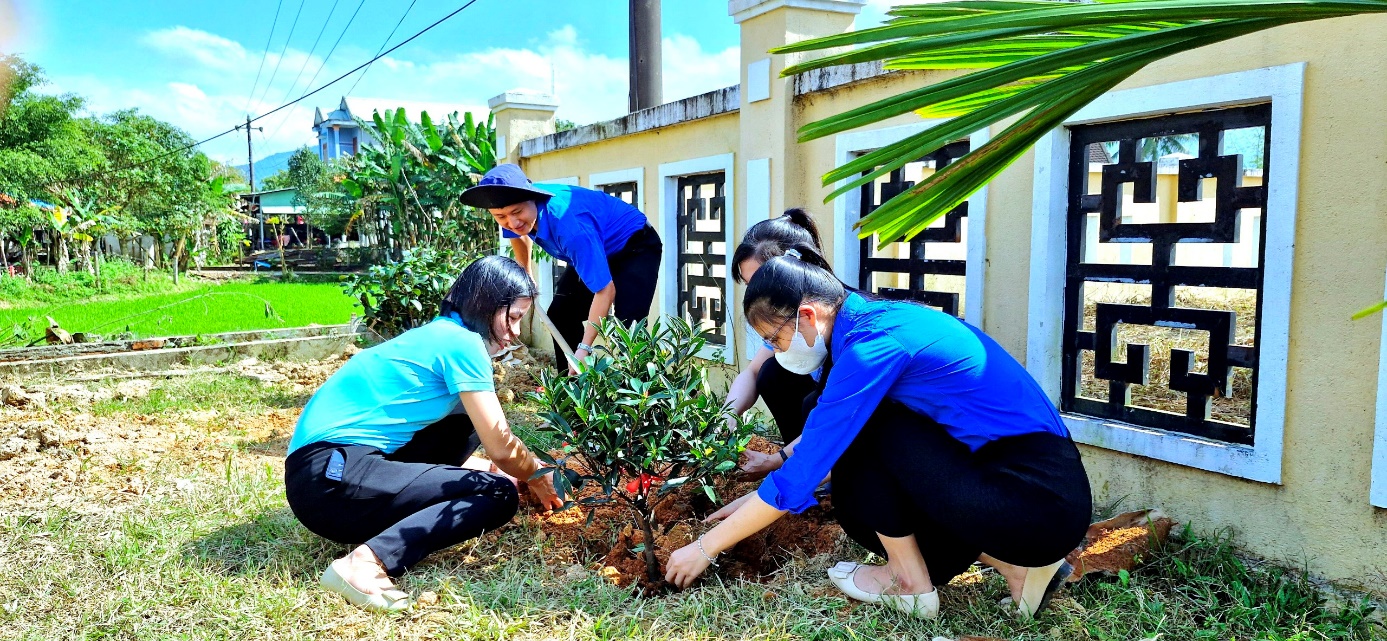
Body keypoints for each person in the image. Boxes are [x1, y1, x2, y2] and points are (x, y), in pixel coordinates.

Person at [665, 251, 1092, 621]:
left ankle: (908, 581)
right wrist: (762, 492)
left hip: (1035, 500)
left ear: (809, 315)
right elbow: (814, 449)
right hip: (1042, 489)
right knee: (850, 437)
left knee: (860, 437)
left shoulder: (871, 348)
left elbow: (811, 465)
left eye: (775, 338)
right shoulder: (879, 321)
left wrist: (703, 548)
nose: (777, 352)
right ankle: (1020, 569)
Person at [283, 256, 564, 612]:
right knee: (498, 495)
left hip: (328, 473)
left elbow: (486, 437)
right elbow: (504, 446)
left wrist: (488, 466)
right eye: (512, 317)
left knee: (465, 422)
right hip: (329, 480)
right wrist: (536, 474)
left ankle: (469, 480)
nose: (515, 333)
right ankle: (364, 564)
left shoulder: (440, 335)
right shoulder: (462, 343)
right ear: (485, 305)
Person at [461, 164, 661, 372]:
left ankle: (640, 396)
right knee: (560, 315)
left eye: (517, 212)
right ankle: (572, 389)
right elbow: (517, 235)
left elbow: (604, 291)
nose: (512, 222)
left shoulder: (569, 227)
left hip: (634, 246)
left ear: (534, 197)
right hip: (595, 246)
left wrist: (583, 349)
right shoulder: (512, 204)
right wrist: (526, 274)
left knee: (629, 327)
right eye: (500, 217)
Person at [725, 208, 833, 476]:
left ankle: (815, 470)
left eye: (761, 280)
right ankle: (804, 466)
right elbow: (753, 370)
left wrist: (777, 461)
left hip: (851, 428)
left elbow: (837, 418)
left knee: (814, 401)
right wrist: (726, 417)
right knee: (772, 372)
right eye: (749, 285)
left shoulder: (839, 327)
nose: (756, 293)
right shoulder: (786, 321)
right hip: (828, 423)